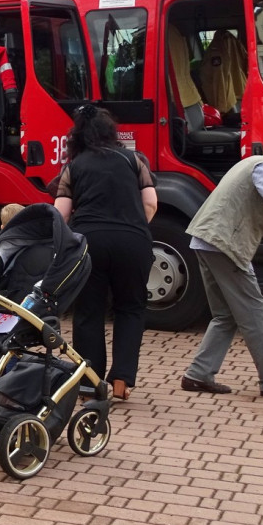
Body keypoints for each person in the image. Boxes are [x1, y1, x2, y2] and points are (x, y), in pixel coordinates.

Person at [180, 129, 263, 398]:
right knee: (256, 314)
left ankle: (198, 374)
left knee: (225, 315)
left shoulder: (258, 164)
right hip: (225, 244)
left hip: (207, 240)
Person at [53, 104, 156, 401]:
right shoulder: (134, 160)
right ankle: (123, 381)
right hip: (133, 242)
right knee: (131, 309)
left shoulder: (74, 167)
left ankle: (88, 384)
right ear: (112, 132)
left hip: (90, 243)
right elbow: (151, 204)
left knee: (88, 312)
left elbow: (62, 214)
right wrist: (133, 227)